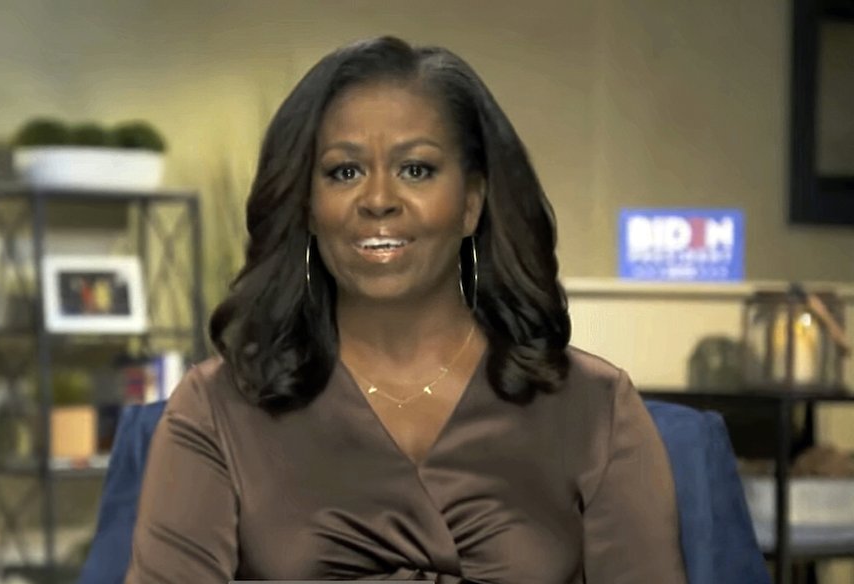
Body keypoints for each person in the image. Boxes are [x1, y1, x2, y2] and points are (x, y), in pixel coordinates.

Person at [126, 36, 685, 583]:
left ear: (471, 203)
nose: (377, 200)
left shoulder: (595, 408)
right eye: (344, 172)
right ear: (308, 207)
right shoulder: (216, 410)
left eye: (416, 169)